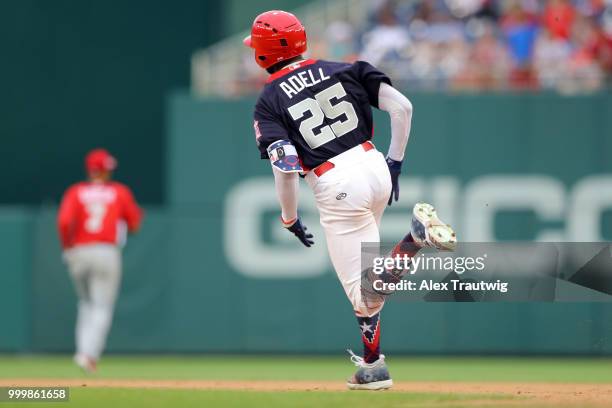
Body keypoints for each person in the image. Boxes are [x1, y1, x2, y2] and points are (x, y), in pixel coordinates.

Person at [243, 10, 456, 390]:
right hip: (373, 163)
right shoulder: (346, 67)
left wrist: (289, 217)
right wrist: (395, 163)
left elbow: (286, 165)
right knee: (372, 283)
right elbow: (403, 108)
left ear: (262, 52)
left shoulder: (268, 100)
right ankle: (373, 365)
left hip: (336, 183)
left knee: (365, 292)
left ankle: (415, 238)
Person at [57, 148, 143, 373]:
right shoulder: (119, 192)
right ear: (105, 171)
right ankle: (89, 355)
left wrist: (67, 248)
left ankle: (82, 351)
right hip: (105, 251)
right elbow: (135, 223)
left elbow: (65, 222)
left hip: (78, 251)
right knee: (102, 306)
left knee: (86, 303)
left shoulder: (75, 192)